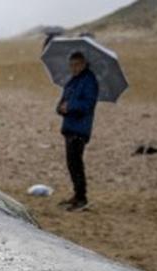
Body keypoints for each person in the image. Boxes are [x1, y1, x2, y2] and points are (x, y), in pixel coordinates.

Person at [56, 51, 99, 212]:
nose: (73, 68)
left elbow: (88, 105)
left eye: (76, 64)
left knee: (76, 163)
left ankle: (82, 198)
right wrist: (60, 108)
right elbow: (63, 101)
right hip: (69, 126)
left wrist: (70, 107)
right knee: (71, 164)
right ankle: (77, 195)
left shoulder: (89, 81)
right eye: (71, 65)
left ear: (83, 64)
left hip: (80, 128)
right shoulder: (72, 82)